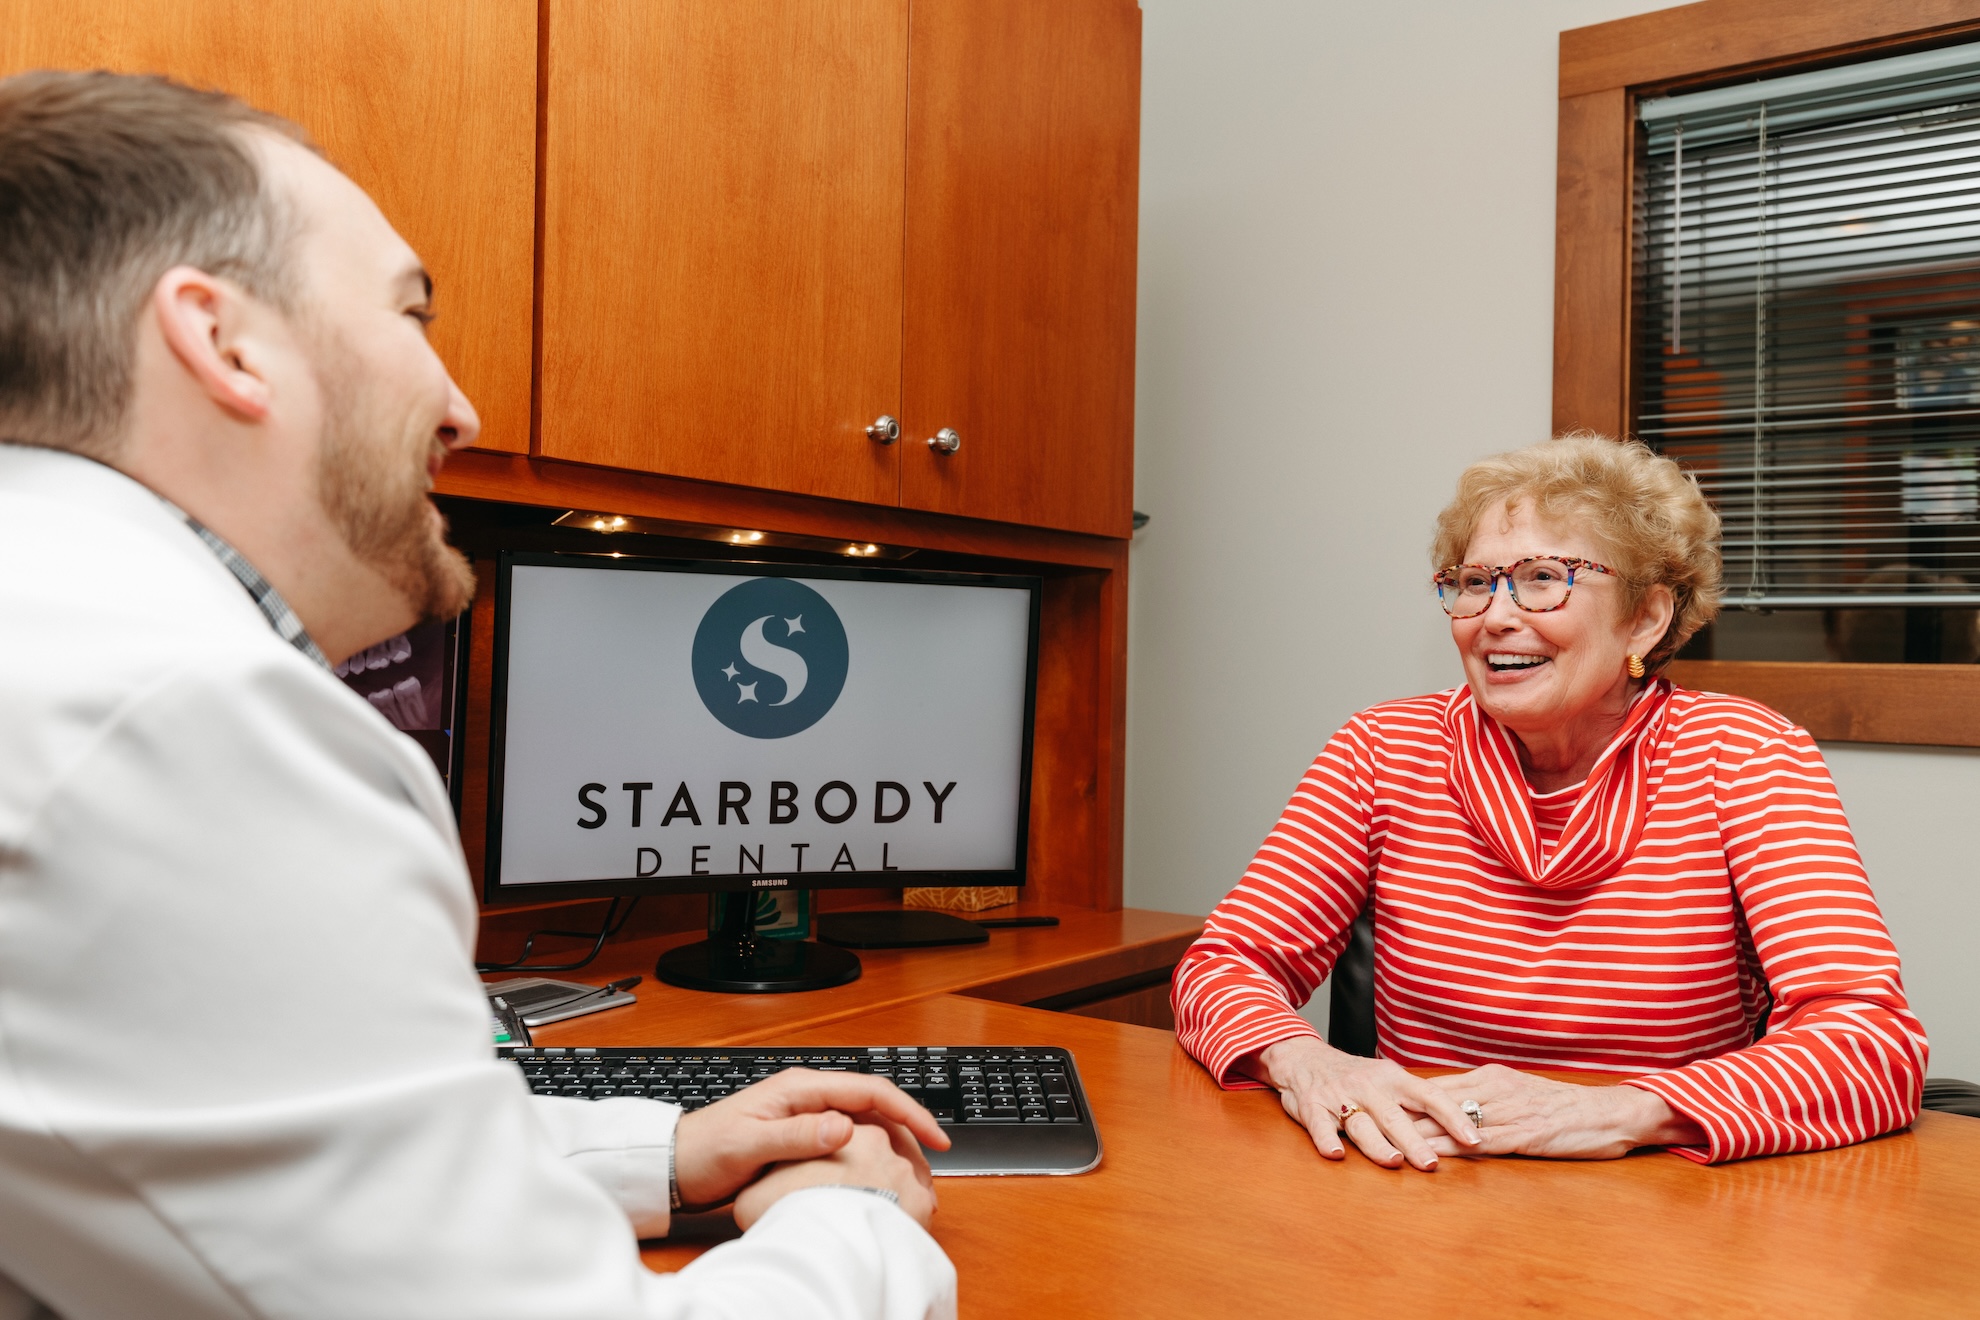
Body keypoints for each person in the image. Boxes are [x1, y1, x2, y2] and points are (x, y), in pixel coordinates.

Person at [0, 71, 955, 1318]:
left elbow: (237, 1146)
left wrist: (660, 1154)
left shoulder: (62, 634)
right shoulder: (185, 717)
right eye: (413, 316)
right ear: (222, 340)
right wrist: (853, 1224)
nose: (464, 408)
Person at [1172, 434, 1928, 1169]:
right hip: (1426, 1183)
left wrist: (1612, 1112)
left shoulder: (1745, 757)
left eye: (1542, 577)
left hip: (1663, 1202)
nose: (1495, 616)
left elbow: (1870, 1046)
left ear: (1645, 616)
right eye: (1473, 582)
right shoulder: (1383, 750)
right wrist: (1307, 1062)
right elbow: (1224, 965)